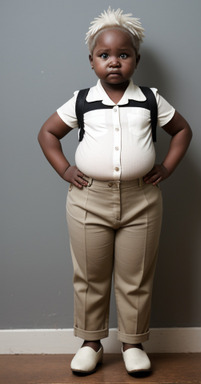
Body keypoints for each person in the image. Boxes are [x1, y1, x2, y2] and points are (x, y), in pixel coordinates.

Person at [38, 7, 192, 375]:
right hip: (89, 201)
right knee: (90, 275)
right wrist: (66, 170)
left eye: (123, 55)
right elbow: (47, 133)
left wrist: (166, 167)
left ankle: (133, 343)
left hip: (142, 201)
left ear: (135, 60)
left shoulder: (151, 100)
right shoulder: (82, 100)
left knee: (135, 276)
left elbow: (183, 131)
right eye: (104, 55)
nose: (114, 62)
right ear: (91, 61)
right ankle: (90, 342)